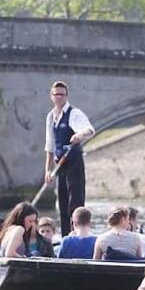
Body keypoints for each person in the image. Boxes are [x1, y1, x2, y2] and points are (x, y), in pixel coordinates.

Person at [45, 81, 95, 236]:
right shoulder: (50, 117)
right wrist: (47, 170)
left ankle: (79, 236)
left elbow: (89, 130)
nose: (59, 97)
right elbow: (50, 146)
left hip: (74, 162)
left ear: (66, 96)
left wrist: (79, 135)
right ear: (51, 96)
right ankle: (66, 237)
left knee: (75, 203)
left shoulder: (74, 113)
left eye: (62, 94)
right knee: (62, 203)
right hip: (61, 165)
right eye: (56, 94)